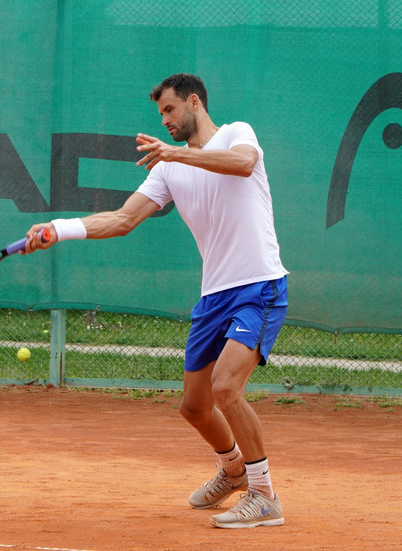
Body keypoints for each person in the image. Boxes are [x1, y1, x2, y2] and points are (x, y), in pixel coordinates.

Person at [22, 73, 289, 528]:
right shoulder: (167, 168)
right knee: (194, 406)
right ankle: (233, 471)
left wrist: (177, 153)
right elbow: (123, 218)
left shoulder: (236, 134)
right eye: (160, 114)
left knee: (226, 387)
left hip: (258, 286)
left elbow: (243, 164)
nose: (164, 121)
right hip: (213, 295)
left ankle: (264, 495)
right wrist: (60, 228)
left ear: (194, 103)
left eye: (169, 110)